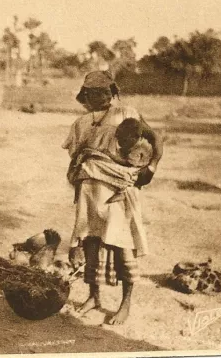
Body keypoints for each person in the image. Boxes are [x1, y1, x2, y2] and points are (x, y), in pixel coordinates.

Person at [64, 71, 163, 325]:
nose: (100, 96)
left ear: (113, 91)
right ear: (84, 94)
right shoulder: (80, 123)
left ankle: (125, 303)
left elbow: (155, 139)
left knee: (122, 245)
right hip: (89, 192)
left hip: (119, 191)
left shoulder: (126, 113)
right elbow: (76, 157)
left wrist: (149, 168)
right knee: (90, 244)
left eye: (105, 91)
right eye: (93, 92)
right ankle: (93, 296)